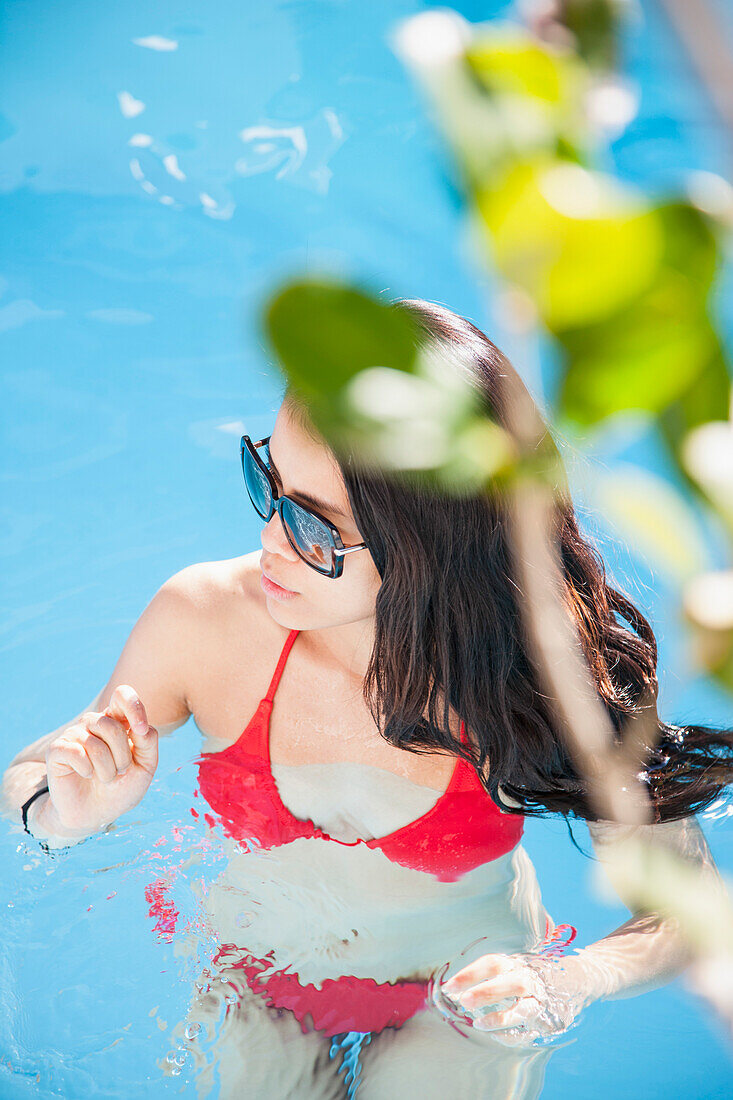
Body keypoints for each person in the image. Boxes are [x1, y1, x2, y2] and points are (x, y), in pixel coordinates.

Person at [3, 299, 731, 1099]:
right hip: (258, 980)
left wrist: (568, 981)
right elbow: (37, 777)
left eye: (316, 530)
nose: (271, 540)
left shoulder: (544, 680)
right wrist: (62, 813)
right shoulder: (205, 621)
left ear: (424, 552)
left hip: (458, 996)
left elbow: (690, 912)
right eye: (265, 479)